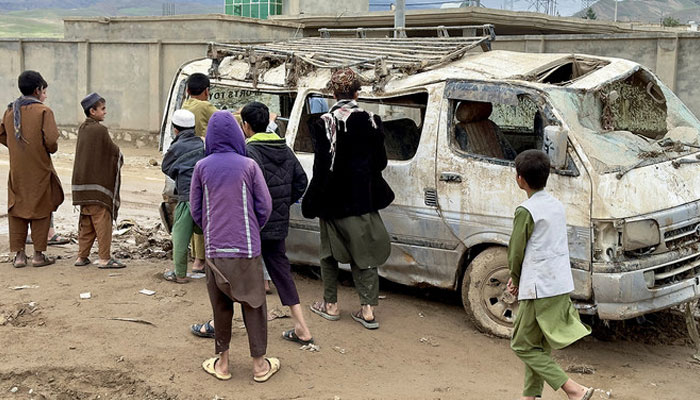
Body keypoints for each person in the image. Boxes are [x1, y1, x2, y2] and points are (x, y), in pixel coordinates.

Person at [190, 110, 279, 383]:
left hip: (216, 250)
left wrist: (212, 229)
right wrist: (252, 228)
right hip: (247, 248)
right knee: (254, 304)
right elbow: (264, 206)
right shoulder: (249, 166)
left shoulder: (201, 167)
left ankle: (223, 365)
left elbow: (196, 210)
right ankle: (260, 366)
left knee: (221, 306)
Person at [302, 68, 394, 330]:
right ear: (357, 92)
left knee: (329, 254)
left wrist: (312, 201)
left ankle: (330, 305)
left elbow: (321, 168)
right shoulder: (373, 121)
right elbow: (381, 163)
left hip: (331, 204)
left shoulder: (324, 123)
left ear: (333, 93)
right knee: (365, 255)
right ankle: (367, 310)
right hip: (362, 201)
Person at [506, 149, 594, 400]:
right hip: (559, 284)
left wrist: (515, 277)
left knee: (521, 345)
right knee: (537, 346)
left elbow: (516, 251)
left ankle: (573, 389)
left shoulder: (526, 210)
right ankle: (530, 396)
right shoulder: (556, 205)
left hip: (538, 288)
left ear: (520, 178)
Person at [242, 101, 313, 344]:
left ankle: (217, 325)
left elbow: (247, 190)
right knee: (282, 273)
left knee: (235, 275)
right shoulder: (284, 147)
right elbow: (301, 181)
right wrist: (282, 204)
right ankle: (302, 327)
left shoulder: (249, 152)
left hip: (253, 224)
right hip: (278, 222)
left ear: (247, 126)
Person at [0, 70, 64, 268]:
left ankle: (19, 256)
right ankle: (38, 255)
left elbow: (1, 133)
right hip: (39, 168)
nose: (45, 95)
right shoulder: (44, 112)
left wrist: (17, 148)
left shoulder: (11, 111)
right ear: (37, 90)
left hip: (17, 170)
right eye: (44, 90)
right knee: (41, 207)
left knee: (17, 207)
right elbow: (52, 142)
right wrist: (41, 148)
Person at [72, 92, 125, 269]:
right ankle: (104, 258)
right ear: (92, 111)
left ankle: (82, 256)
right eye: (102, 109)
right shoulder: (100, 130)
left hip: (82, 188)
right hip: (98, 190)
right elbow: (113, 152)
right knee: (102, 222)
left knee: (86, 223)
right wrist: (119, 155)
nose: (105, 112)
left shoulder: (83, 128)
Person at [161, 109, 205, 283]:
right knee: (212, 236)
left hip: (186, 198)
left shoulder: (175, 147)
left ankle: (180, 274)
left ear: (175, 129)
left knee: (179, 237)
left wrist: (179, 172)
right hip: (205, 199)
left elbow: (166, 167)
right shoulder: (203, 144)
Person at [182, 72, 217, 274]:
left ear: (187, 90)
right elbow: (224, 119)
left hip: (189, 163)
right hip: (204, 159)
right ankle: (202, 259)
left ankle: (196, 258)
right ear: (207, 91)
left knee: (194, 208)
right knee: (206, 210)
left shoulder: (185, 106)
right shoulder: (205, 106)